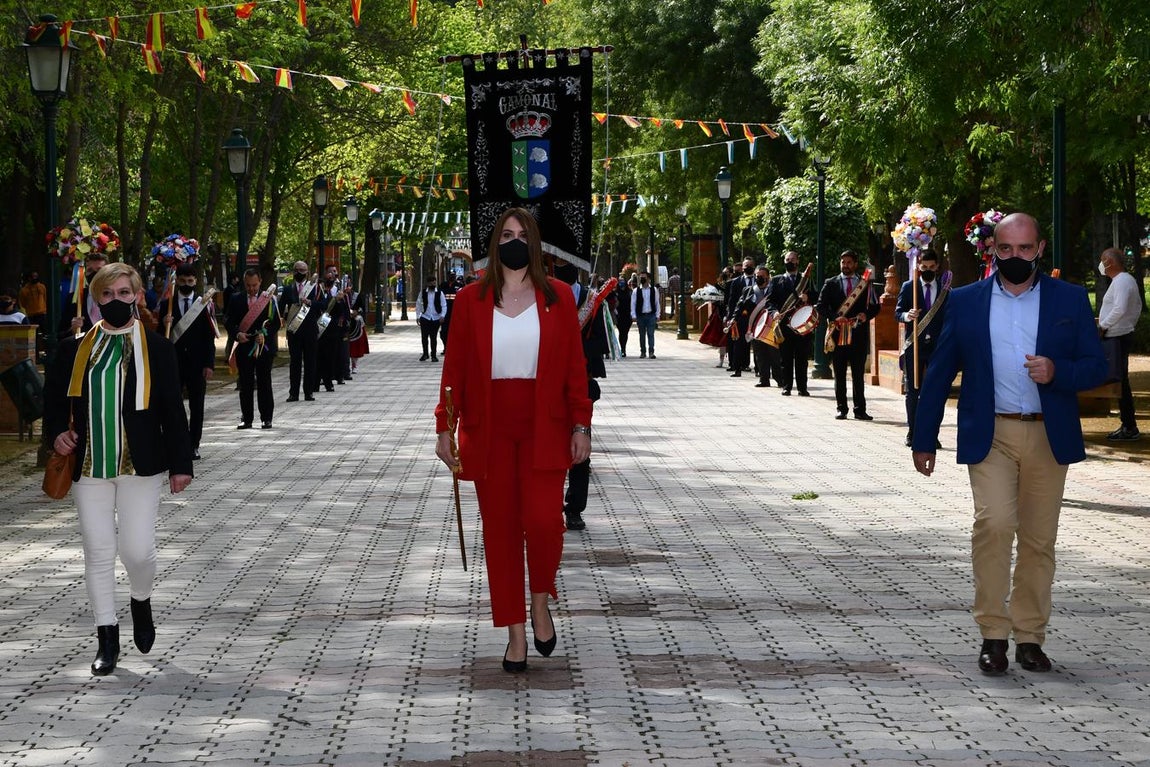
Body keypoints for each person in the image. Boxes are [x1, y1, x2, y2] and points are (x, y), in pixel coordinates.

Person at [912, 212, 1107, 676]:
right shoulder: (964, 301)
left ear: (1039, 249)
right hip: (991, 432)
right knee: (995, 525)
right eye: (1006, 249)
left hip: (1048, 432)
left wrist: (1059, 372)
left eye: (1024, 249)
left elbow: (1097, 367)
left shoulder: (1071, 299)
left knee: (1039, 541)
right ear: (992, 251)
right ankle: (993, 635)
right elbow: (938, 374)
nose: (1015, 257)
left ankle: (1030, 637)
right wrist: (924, 438)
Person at [434, 207, 591, 673]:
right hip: (489, 428)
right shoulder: (469, 301)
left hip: (546, 427)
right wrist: (445, 425)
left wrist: (581, 425)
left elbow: (574, 372)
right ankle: (516, 633)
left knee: (544, 523)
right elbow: (455, 371)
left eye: (523, 235)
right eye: (506, 234)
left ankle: (540, 601)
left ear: (536, 244)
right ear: (494, 243)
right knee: (501, 533)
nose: (514, 241)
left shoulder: (559, 297)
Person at [43, 261, 194, 675]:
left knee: (137, 552)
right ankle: (106, 638)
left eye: (124, 293)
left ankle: (140, 600)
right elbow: (54, 403)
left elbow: (172, 412)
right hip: (90, 467)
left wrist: (181, 465)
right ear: (96, 300)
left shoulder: (156, 348)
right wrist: (57, 433)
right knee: (98, 550)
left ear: (137, 296)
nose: (116, 301)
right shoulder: (75, 349)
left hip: (139, 466)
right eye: (107, 295)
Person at [554, 259, 608, 532]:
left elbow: (601, 342)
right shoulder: (542, 295)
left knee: (580, 448)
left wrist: (574, 350)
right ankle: (549, 505)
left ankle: (574, 508)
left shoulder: (591, 300)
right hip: (548, 386)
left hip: (581, 384)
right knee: (549, 446)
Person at [817, 250, 879, 420]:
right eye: (843, 262)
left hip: (858, 335)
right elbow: (820, 306)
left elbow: (875, 306)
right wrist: (836, 317)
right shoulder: (830, 283)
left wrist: (866, 315)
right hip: (838, 335)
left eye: (849, 262)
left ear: (855, 264)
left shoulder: (865, 283)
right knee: (839, 373)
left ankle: (860, 409)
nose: (845, 265)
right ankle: (841, 408)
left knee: (858, 375)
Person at [895, 250, 947, 446]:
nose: (928, 271)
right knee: (913, 390)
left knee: (936, 391)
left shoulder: (945, 289)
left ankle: (932, 435)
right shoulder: (909, 287)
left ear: (937, 267)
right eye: (924, 267)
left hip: (937, 347)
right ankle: (913, 432)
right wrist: (907, 315)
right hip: (914, 345)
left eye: (932, 267)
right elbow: (897, 313)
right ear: (918, 267)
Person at [166, 264, 217, 460]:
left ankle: (194, 444)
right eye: (182, 281)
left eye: (190, 281)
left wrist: (209, 364)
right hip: (174, 363)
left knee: (197, 406)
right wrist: (165, 324)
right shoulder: (167, 304)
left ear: (196, 281)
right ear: (176, 281)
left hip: (197, 364)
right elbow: (161, 338)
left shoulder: (203, 304)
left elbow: (209, 337)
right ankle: (177, 444)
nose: (186, 284)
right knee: (174, 406)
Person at [1097, 247, 1143, 441]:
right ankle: (1128, 424)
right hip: (1118, 334)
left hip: (1117, 336)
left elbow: (1120, 308)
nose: (1100, 264)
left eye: (1102, 260)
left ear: (1110, 263)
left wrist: (1103, 326)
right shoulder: (1122, 281)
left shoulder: (1123, 281)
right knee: (1120, 381)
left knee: (1120, 381)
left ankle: (1129, 426)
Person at [226, 268, 280, 429]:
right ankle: (247, 418)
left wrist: (266, 334)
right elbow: (228, 321)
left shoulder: (268, 299)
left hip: (263, 346)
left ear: (260, 281)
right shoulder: (236, 299)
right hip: (244, 346)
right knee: (245, 383)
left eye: (254, 285)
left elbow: (276, 322)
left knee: (264, 382)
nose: (251, 289)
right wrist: (237, 334)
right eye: (248, 285)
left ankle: (266, 418)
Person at [767, 251, 817, 396]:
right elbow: (770, 301)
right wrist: (774, 312)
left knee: (802, 359)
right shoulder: (776, 280)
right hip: (784, 325)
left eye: (792, 259)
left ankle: (802, 388)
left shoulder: (806, 279)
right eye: (787, 259)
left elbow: (817, 296)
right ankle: (786, 386)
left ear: (797, 261)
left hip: (801, 325)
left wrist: (808, 297)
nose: (789, 261)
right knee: (785, 358)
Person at [279, 261, 320, 402]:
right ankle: (293, 393)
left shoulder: (314, 288)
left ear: (307, 272)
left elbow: (323, 305)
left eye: (302, 270)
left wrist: (310, 303)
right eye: (297, 270)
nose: (299, 273)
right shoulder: (287, 289)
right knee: (295, 362)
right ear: (293, 271)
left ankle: (309, 392)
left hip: (310, 330)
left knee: (310, 362)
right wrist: (282, 318)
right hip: (294, 330)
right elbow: (280, 307)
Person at [734, 265, 771, 384]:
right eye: (757, 276)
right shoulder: (749, 290)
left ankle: (778, 377)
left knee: (772, 353)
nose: (758, 278)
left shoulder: (772, 289)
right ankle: (762, 377)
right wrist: (733, 318)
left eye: (761, 276)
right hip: (754, 323)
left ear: (767, 277)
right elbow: (740, 306)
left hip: (769, 322)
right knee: (758, 351)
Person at [61, 253, 109, 338]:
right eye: (90, 270)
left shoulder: (117, 297)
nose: (94, 274)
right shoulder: (74, 299)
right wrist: (73, 329)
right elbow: (61, 335)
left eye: (99, 270)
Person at [315, 266, 347, 391]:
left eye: (332, 275)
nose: (330, 276)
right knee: (317, 356)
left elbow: (341, 311)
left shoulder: (336, 291)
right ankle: (315, 383)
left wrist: (339, 301)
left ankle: (329, 382)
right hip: (318, 327)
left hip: (331, 329)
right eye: (328, 273)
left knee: (330, 356)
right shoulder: (318, 290)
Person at [725, 259, 756, 373]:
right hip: (740, 316)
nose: (748, 267)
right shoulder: (736, 282)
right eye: (746, 265)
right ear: (743, 267)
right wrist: (730, 317)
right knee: (738, 340)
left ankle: (753, 366)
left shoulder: (758, 281)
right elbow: (732, 301)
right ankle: (736, 365)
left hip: (755, 315)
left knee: (754, 341)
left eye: (751, 265)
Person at [631, 271, 660, 359]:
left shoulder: (654, 290)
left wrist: (658, 314)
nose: (642, 279)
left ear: (648, 279)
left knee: (651, 334)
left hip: (651, 315)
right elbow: (633, 303)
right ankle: (643, 351)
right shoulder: (636, 291)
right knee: (642, 334)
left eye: (644, 277)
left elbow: (657, 303)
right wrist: (633, 315)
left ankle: (651, 351)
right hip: (640, 315)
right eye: (641, 277)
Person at [417, 275, 446, 361]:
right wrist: (418, 316)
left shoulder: (439, 293)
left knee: (433, 337)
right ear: (428, 284)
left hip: (436, 318)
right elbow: (418, 304)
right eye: (431, 282)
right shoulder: (423, 293)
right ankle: (425, 354)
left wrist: (442, 315)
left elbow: (444, 305)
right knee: (424, 337)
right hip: (425, 317)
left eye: (434, 282)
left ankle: (433, 355)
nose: (433, 284)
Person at [614, 277, 633, 358]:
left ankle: (623, 348)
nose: (622, 283)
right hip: (619, 315)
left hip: (627, 315)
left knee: (625, 332)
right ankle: (622, 349)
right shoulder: (616, 292)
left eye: (623, 281)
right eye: (620, 282)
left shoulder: (629, 292)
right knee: (621, 332)